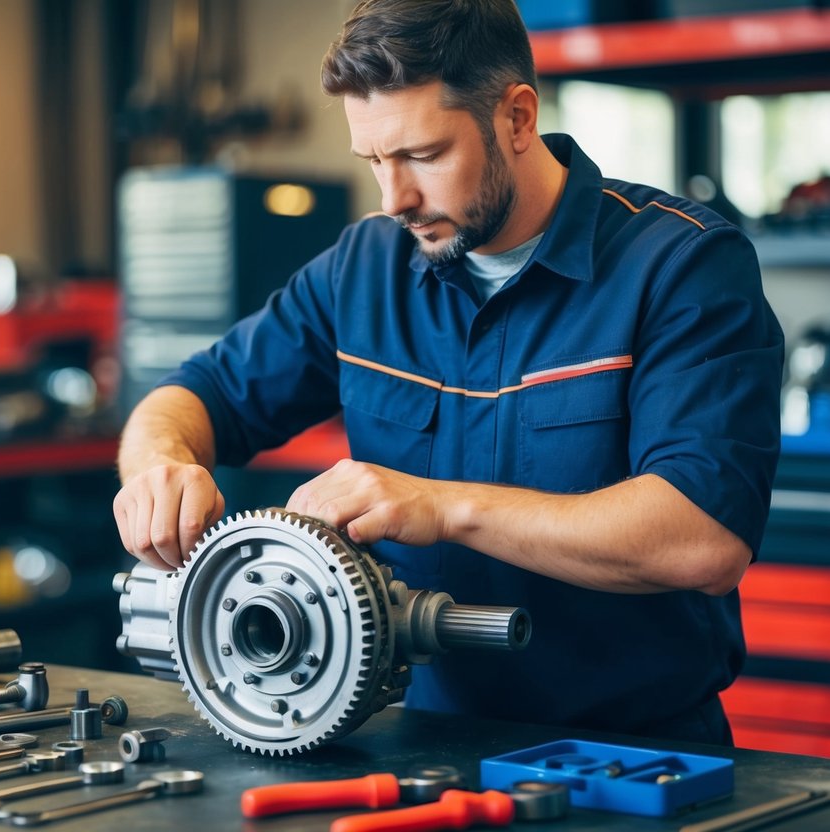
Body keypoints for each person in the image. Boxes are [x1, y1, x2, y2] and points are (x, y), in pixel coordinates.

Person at [112, 0, 784, 745]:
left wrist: (438, 505)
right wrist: (156, 467)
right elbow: (191, 396)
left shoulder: (681, 266)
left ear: (517, 118)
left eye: (423, 156)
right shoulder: (363, 268)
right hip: (413, 741)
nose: (392, 198)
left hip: (633, 757)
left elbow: (701, 539)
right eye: (372, 160)